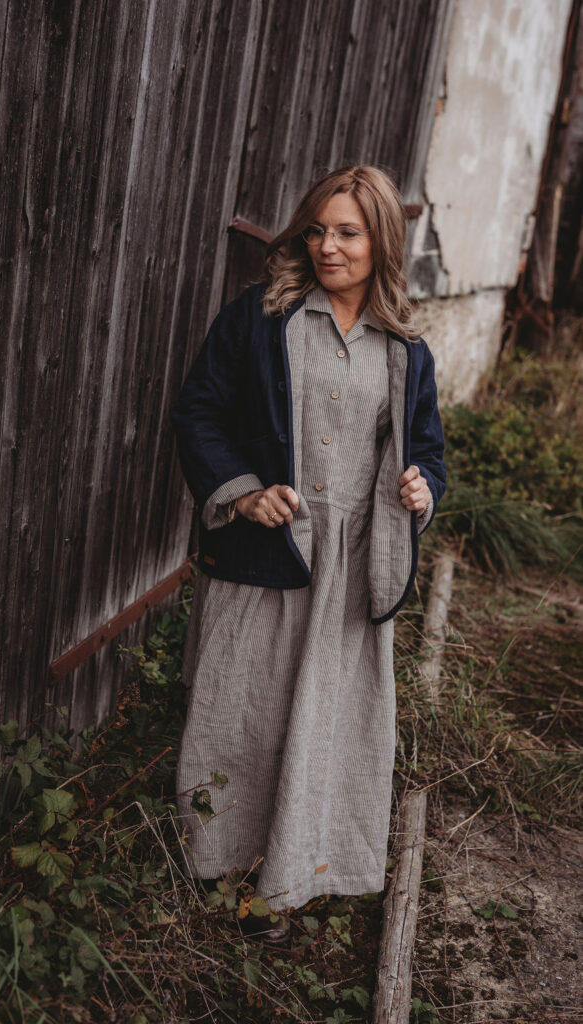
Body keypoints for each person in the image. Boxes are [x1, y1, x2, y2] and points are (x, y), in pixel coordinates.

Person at [170, 165, 445, 942]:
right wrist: (243, 492)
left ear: (380, 240)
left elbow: (426, 451)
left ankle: (295, 873)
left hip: (352, 567)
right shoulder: (261, 318)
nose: (328, 246)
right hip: (268, 548)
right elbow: (197, 413)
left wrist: (422, 489)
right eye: (318, 230)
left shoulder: (405, 349)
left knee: (326, 721)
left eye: (347, 232)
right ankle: (220, 864)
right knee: (244, 709)